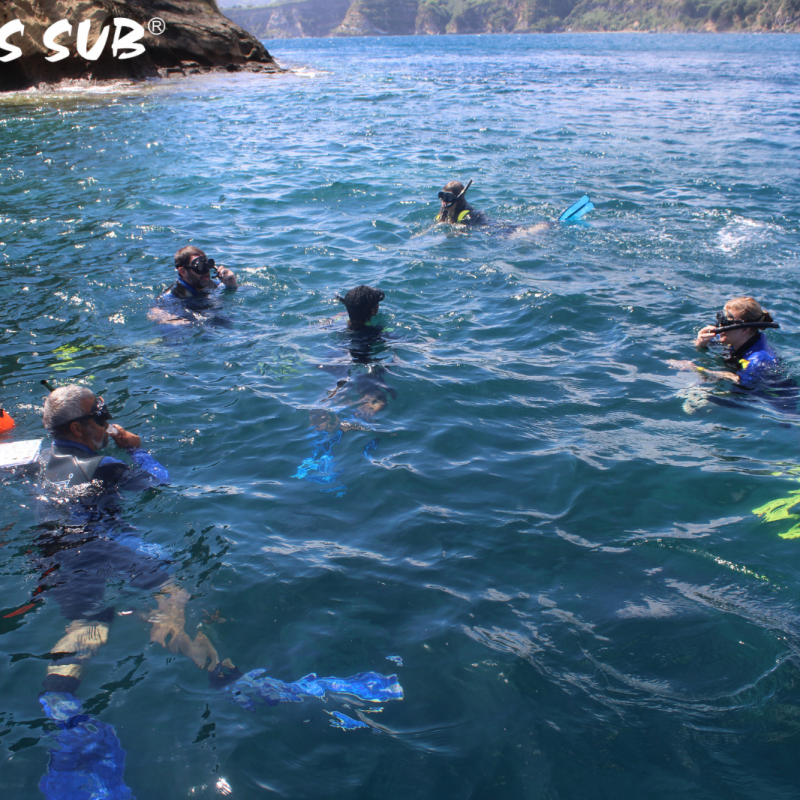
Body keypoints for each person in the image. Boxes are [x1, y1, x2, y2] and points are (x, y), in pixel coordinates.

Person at [36, 385, 221, 695]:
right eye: (100, 415)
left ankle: (58, 702)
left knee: (87, 625)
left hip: (52, 552)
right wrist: (136, 450)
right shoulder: (103, 466)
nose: (108, 422)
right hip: (98, 545)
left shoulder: (42, 459)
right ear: (77, 428)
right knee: (175, 596)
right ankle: (225, 677)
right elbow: (159, 481)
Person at [669, 296, 779, 388]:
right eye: (720, 318)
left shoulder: (759, 359)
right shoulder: (735, 340)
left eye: (725, 321)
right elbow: (710, 348)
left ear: (745, 330)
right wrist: (700, 344)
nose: (720, 326)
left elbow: (743, 382)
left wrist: (697, 369)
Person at [148, 245, 238, 326]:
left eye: (208, 265)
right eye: (200, 267)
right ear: (183, 272)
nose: (206, 271)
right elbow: (153, 314)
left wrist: (232, 285)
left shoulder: (211, 284)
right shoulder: (172, 295)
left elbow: (246, 291)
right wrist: (176, 321)